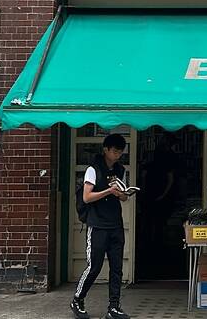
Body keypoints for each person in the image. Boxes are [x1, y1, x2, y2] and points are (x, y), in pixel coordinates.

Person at [70, 134, 131, 319]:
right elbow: (87, 197)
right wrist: (109, 191)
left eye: (120, 152)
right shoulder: (93, 169)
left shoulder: (120, 169)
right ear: (105, 149)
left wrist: (123, 193)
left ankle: (114, 307)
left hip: (115, 224)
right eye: (115, 151)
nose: (118, 155)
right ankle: (77, 299)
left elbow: (124, 197)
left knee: (117, 268)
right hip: (97, 225)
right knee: (94, 266)